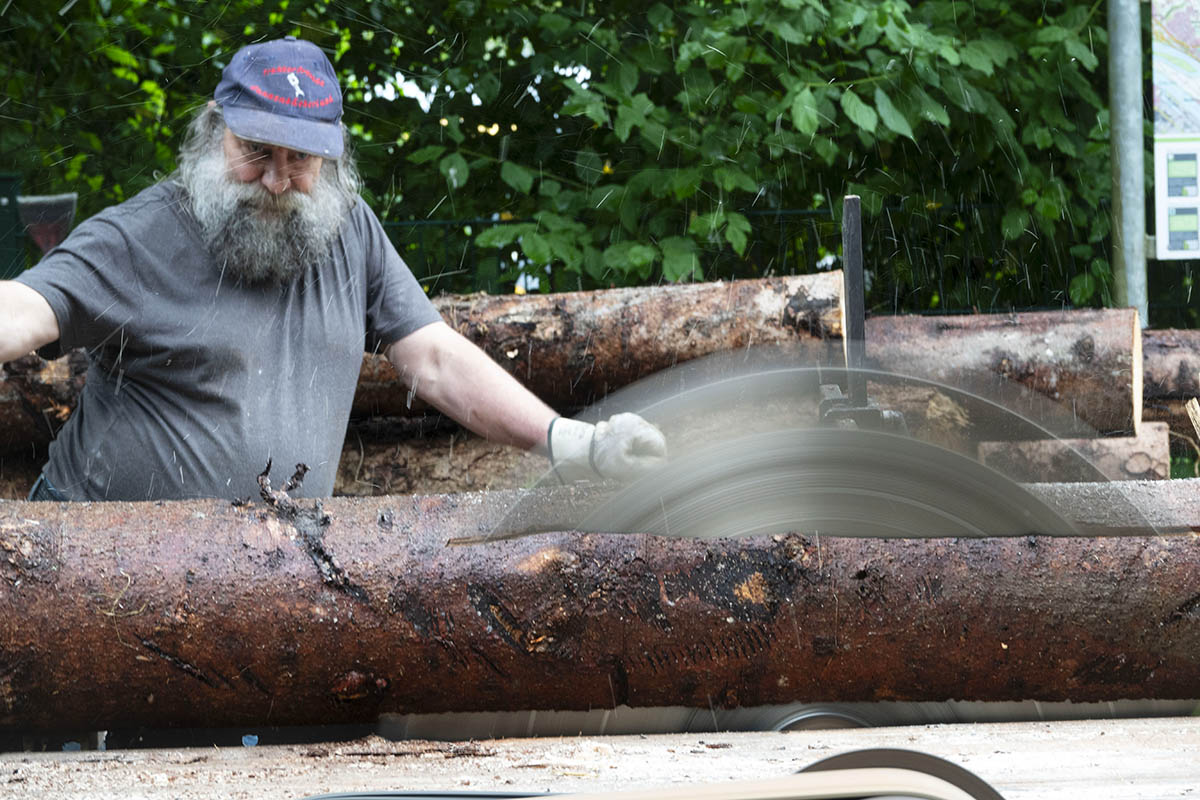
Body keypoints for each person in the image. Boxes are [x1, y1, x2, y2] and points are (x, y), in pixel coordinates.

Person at [0, 36, 666, 502]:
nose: (276, 181)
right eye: (255, 151)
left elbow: (432, 358)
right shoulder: (141, 233)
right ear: (213, 129)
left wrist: (567, 441)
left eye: (301, 161)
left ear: (334, 156)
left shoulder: (351, 231)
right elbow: (24, 310)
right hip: (91, 572)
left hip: (269, 585)